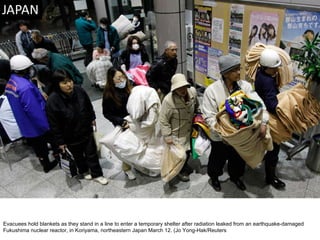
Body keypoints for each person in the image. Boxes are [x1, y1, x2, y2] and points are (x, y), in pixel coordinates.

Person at [202, 54, 269, 192]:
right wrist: (225, 133)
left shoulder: (245, 86)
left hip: (241, 136)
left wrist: (263, 123)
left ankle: (236, 177)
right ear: (225, 73)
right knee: (217, 158)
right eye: (235, 70)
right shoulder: (212, 91)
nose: (239, 72)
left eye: (239, 69)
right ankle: (214, 177)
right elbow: (209, 117)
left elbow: (259, 104)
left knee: (238, 158)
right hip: (220, 137)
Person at [46, 69, 108, 185]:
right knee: (78, 155)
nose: (69, 85)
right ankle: (84, 170)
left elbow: (88, 105)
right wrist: (60, 141)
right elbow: (54, 124)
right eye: (64, 83)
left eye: (70, 81)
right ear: (57, 84)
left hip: (85, 129)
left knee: (92, 153)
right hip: (69, 135)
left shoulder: (79, 90)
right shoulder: (52, 101)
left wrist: (93, 118)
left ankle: (97, 174)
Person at [5, 55, 58, 173]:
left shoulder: (11, 82)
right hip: (37, 125)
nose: (31, 69)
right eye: (28, 68)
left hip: (24, 124)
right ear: (23, 70)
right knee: (50, 142)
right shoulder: (25, 87)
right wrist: (47, 126)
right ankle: (54, 160)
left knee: (38, 147)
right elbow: (34, 110)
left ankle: (45, 164)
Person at [254, 48, 286, 190]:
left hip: (260, 112)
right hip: (268, 116)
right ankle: (270, 177)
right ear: (267, 67)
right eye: (274, 67)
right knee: (275, 147)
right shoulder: (267, 82)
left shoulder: (260, 73)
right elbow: (272, 105)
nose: (277, 69)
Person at [159, 73, 199, 182]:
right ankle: (179, 171)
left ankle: (184, 167)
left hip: (190, 130)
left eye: (183, 87)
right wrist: (167, 136)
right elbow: (163, 120)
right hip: (177, 133)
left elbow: (197, 107)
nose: (182, 90)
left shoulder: (193, 93)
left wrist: (199, 116)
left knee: (189, 151)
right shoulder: (168, 100)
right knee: (180, 154)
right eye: (178, 88)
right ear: (174, 89)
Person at [102, 67, 136, 180]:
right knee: (125, 147)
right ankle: (127, 168)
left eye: (123, 77)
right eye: (118, 78)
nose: (122, 80)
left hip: (133, 121)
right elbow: (107, 113)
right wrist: (120, 121)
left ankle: (138, 164)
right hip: (121, 124)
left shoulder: (128, 88)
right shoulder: (108, 95)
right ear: (111, 79)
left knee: (136, 144)